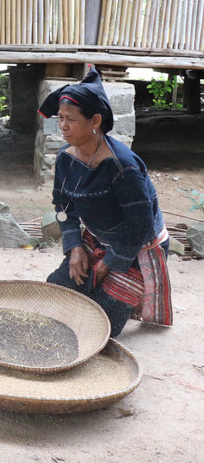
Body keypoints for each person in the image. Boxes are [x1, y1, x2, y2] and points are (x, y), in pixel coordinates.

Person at [38, 69, 172, 337]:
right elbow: (63, 207)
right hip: (97, 238)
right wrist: (75, 247)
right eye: (60, 118)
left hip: (137, 246)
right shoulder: (66, 157)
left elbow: (140, 225)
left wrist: (108, 264)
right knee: (54, 295)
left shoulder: (123, 166)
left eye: (71, 120)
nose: (62, 126)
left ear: (95, 120)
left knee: (99, 326)